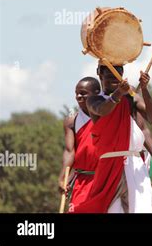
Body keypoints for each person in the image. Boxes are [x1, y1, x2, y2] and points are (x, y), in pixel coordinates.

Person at [73, 63, 152, 213]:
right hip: (109, 165)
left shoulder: (131, 97)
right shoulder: (94, 100)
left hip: (134, 164)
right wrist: (118, 94)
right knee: (112, 210)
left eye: (117, 76)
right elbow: (103, 110)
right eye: (109, 77)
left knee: (142, 208)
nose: (115, 80)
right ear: (100, 75)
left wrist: (145, 89)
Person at [58, 77, 100, 212]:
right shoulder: (71, 121)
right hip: (81, 180)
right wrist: (63, 177)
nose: (78, 96)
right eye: (77, 93)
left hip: (105, 177)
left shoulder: (107, 116)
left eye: (83, 93)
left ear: (97, 93)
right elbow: (70, 151)